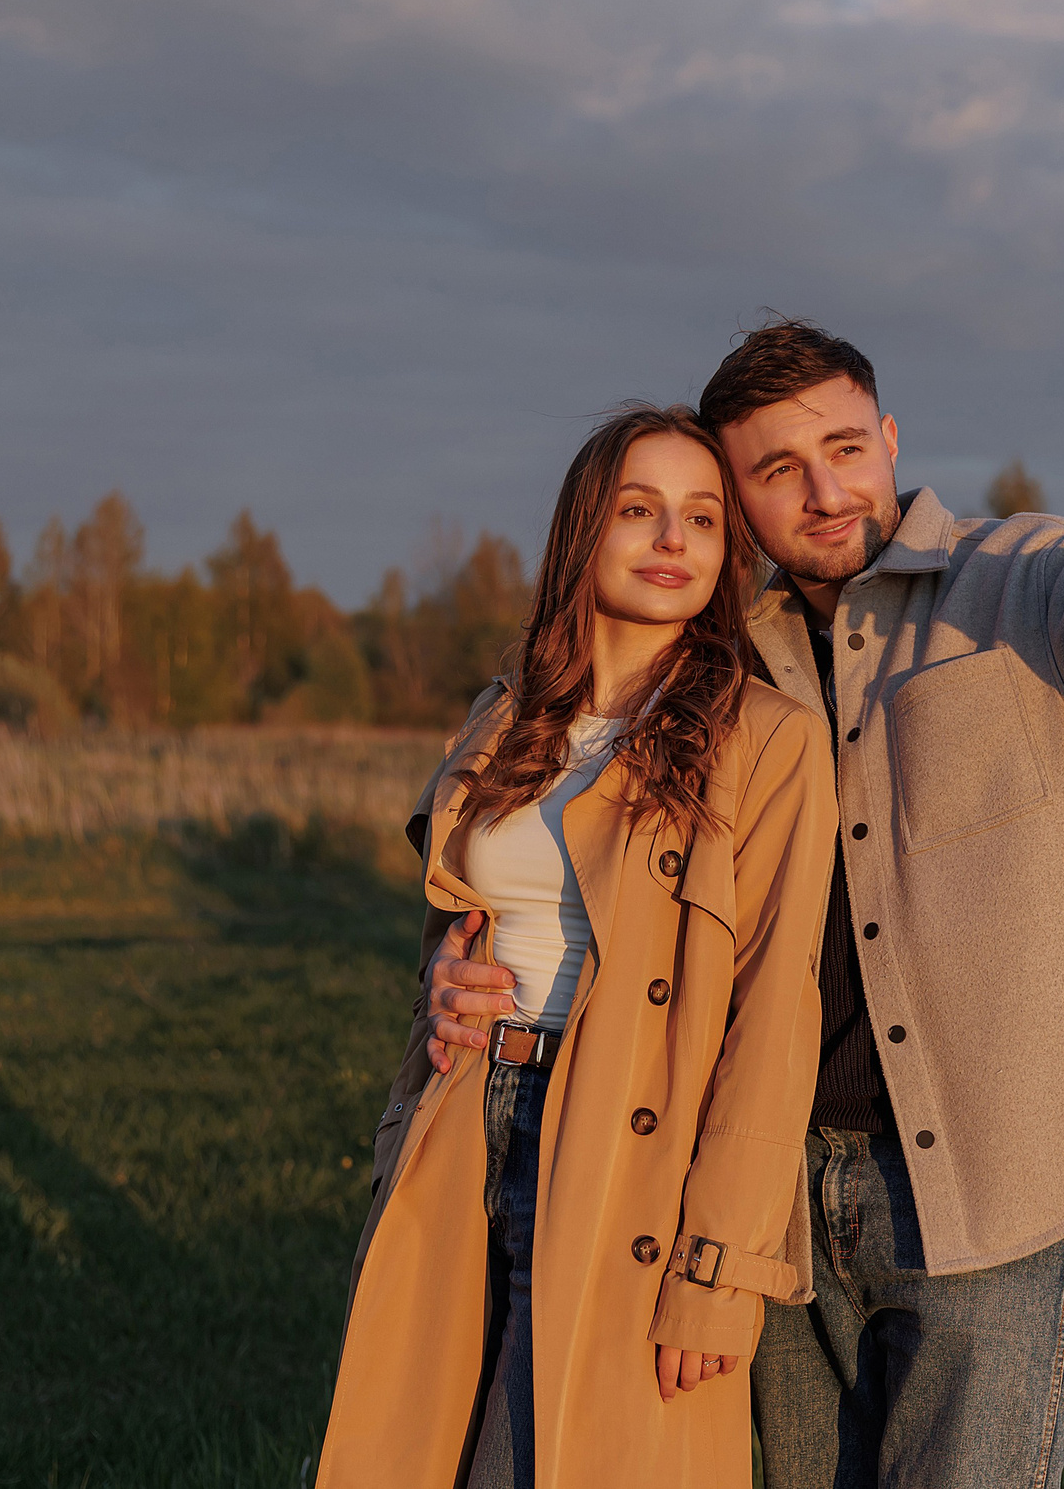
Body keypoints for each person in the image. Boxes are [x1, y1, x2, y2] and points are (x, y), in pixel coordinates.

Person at [424, 323, 1064, 1488]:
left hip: (996, 1185)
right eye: (778, 470)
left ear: (890, 438)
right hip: (769, 1191)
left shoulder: (1030, 578)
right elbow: (565, 834)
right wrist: (464, 960)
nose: (826, 491)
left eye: (845, 447)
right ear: (737, 498)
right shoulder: (720, 661)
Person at [318, 403, 837, 1489]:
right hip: (470, 1130)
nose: (672, 541)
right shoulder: (506, 715)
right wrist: (445, 989)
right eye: (638, 510)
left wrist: (720, 1270)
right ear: (580, 533)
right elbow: (453, 932)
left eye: (701, 519)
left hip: (620, 1166)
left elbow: (773, 1016)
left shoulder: (768, 739)